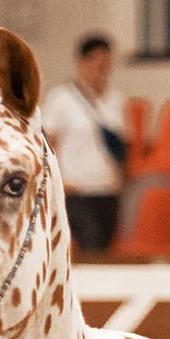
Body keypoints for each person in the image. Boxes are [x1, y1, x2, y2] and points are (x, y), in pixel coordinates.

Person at [36, 33, 130, 256]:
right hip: (77, 190)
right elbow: (48, 144)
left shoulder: (116, 100)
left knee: (105, 250)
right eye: (97, 64)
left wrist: (122, 180)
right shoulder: (61, 99)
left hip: (107, 189)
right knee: (92, 246)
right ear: (82, 63)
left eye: (106, 64)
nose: (102, 70)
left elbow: (123, 146)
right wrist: (61, 180)